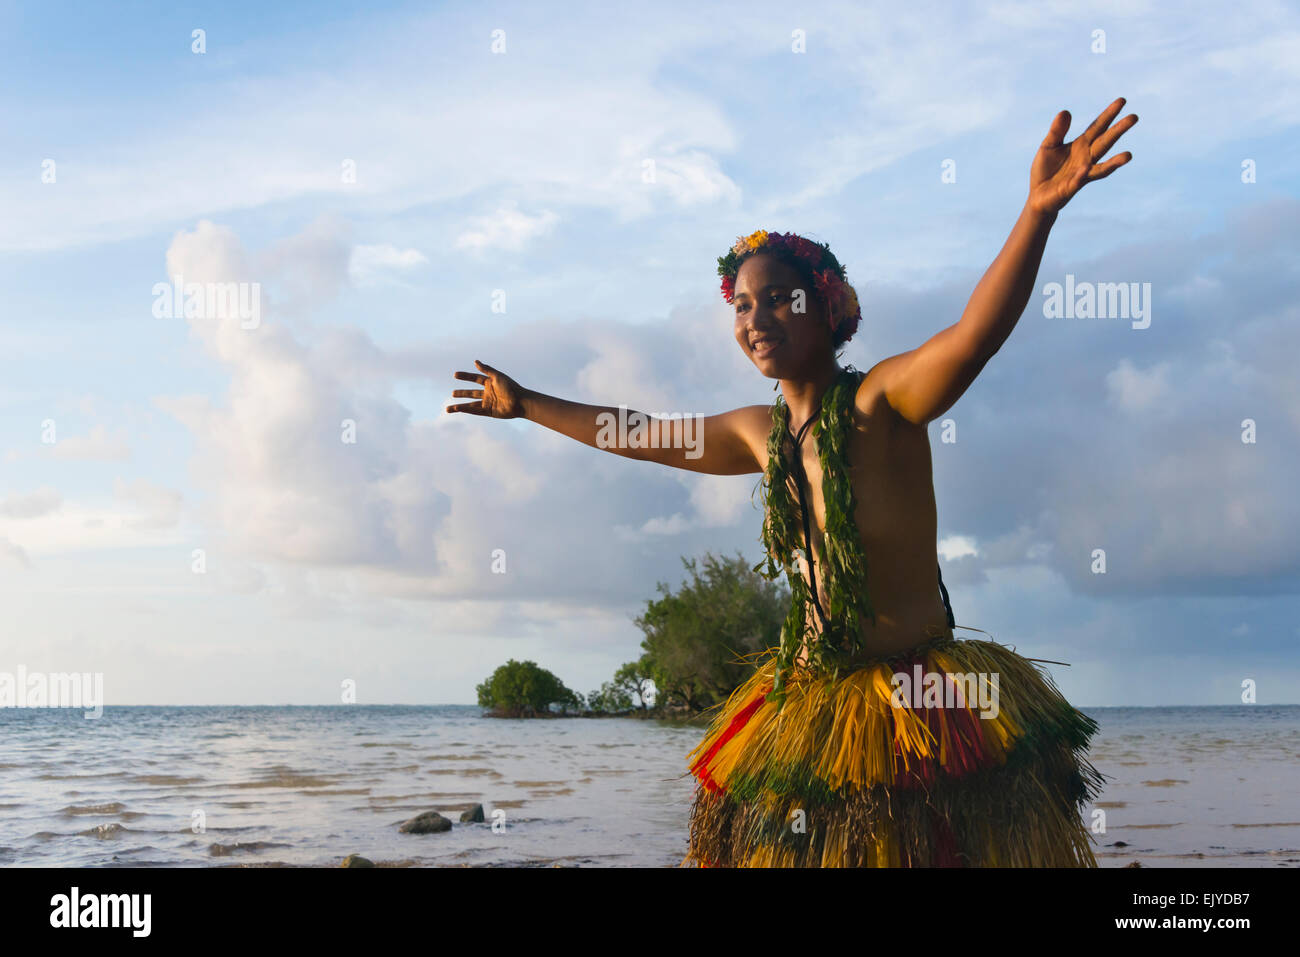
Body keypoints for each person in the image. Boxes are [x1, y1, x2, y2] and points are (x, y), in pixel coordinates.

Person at [447, 98, 1137, 866]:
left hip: (921, 704)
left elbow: (974, 335)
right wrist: (527, 404)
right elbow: (639, 435)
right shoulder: (760, 432)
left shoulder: (884, 402)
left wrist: (1037, 212)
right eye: (743, 304)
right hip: (810, 704)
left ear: (828, 304)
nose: (756, 317)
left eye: (779, 296)